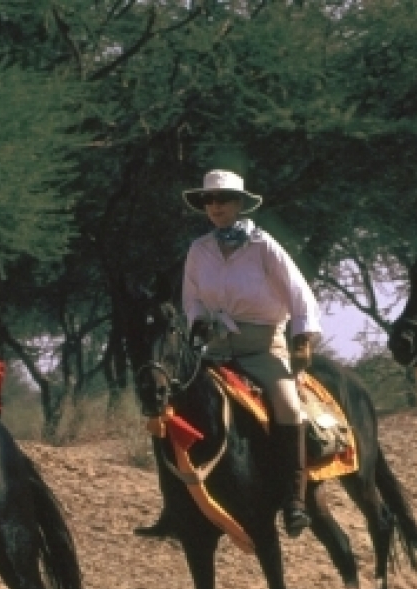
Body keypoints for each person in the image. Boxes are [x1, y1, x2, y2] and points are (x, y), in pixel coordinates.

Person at [136, 169, 322, 538]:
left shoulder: (264, 246)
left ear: (239, 204)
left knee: (288, 405)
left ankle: (294, 500)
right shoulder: (199, 250)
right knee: (170, 407)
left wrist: (302, 339)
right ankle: (173, 506)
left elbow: (299, 293)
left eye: (222, 199)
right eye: (208, 200)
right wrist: (199, 323)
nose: (215, 206)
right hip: (216, 348)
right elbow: (191, 300)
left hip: (263, 345)